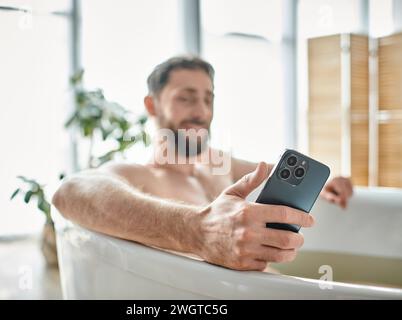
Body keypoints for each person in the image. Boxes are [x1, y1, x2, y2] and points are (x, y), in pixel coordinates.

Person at [52, 56, 353, 271]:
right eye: (186, 98)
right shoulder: (139, 176)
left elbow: (271, 172)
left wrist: (326, 184)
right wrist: (198, 230)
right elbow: (71, 191)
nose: (201, 111)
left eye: (208, 99)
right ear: (151, 105)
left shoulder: (217, 164)